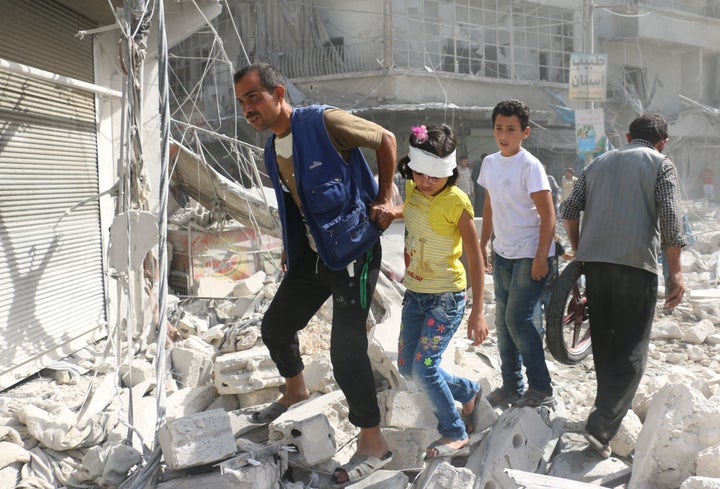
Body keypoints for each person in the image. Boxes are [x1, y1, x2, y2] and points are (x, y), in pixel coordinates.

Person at [233, 63, 395, 485]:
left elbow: (387, 140)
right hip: (313, 255)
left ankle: (373, 441)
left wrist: (384, 199)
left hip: (354, 252)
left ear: (278, 92)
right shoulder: (272, 148)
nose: (247, 108)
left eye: (254, 97)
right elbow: (295, 205)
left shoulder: (324, 122)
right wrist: (291, 249)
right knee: (275, 326)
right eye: (242, 102)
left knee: (346, 351)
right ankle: (295, 390)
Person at [562, 113, 686, 458]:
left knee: (605, 343)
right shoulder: (661, 164)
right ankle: (601, 427)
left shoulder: (599, 161)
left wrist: (579, 247)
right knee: (632, 350)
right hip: (635, 265)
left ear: (629, 135)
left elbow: (570, 209)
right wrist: (675, 273)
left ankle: (603, 417)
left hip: (596, 264)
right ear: (662, 142)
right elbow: (671, 221)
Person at [389, 124, 489, 459]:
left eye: (435, 175)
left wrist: (478, 311)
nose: (427, 181)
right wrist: (393, 210)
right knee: (407, 368)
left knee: (424, 367)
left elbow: (475, 256)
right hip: (415, 294)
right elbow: (413, 210)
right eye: (420, 173)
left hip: (446, 297)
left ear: (450, 171)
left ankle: (455, 432)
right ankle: (469, 390)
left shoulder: (457, 202)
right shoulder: (413, 188)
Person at [477, 99, 556, 409]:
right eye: (499, 128)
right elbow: (488, 205)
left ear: (525, 132)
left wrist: (540, 257)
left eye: (511, 129)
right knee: (504, 319)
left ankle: (541, 386)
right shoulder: (490, 163)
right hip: (503, 252)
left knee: (518, 319)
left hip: (530, 252)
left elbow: (548, 216)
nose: (503, 135)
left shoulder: (531, 166)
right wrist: (484, 243)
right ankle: (511, 386)